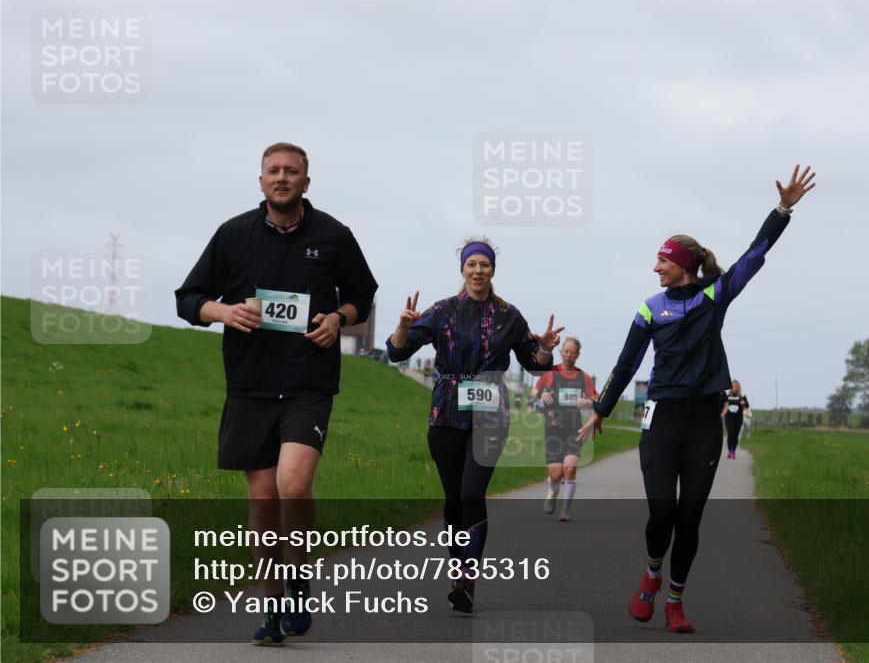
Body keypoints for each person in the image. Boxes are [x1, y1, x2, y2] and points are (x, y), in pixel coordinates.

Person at [578, 165, 816, 633]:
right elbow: (627, 364)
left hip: (706, 419)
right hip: (661, 416)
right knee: (662, 510)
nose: (655, 267)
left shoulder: (715, 296)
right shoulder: (650, 307)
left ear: (683, 265)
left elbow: (754, 254)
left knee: (690, 519)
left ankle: (675, 601)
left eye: (662, 261)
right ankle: (650, 574)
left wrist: (783, 209)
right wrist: (602, 409)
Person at [175, 142, 378, 645]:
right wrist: (222, 312)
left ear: (307, 182)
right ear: (261, 180)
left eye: (292, 171)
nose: (282, 178)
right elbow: (187, 299)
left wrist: (338, 318)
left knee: (292, 482)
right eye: (274, 171)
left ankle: (299, 576)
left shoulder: (334, 236)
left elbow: (363, 297)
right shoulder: (233, 234)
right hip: (250, 384)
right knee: (263, 500)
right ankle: (271, 607)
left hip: (309, 382)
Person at [387, 238, 562, 613]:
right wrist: (403, 326)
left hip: (490, 414)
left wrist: (546, 347)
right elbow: (397, 351)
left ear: (493, 270)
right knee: (453, 502)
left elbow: (535, 364)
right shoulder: (444, 311)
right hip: (446, 413)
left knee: (471, 493)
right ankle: (457, 566)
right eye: (472, 264)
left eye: (484, 264)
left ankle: (468, 577)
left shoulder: (509, 315)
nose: (478, 270)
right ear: (463, 270)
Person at [531, 337, 597, 521]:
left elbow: (596, 399)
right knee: (556, 474)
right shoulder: (550, 373)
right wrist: (541, 394)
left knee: (570, 469)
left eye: (573, 352)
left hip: (574, 430)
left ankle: (566, 510)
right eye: (566, 351)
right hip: (553, 429)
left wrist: (588, 400)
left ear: (578, 355)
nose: (569, 355)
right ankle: (553, 492)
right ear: (561, 352)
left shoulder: (583, 377)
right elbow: (533, 392)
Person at [721, 380, 751, 459]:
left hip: (738, 419)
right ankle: (730, 451)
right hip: (729, 418)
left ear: (738, 388)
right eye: (732, 386)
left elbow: (747, 406)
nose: (734, 387)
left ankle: (733, 450)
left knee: (736, 435)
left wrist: (744, 403)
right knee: (730, 433)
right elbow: (723, 405)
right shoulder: (727, 397)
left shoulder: (742, 397)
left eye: (736, 386)